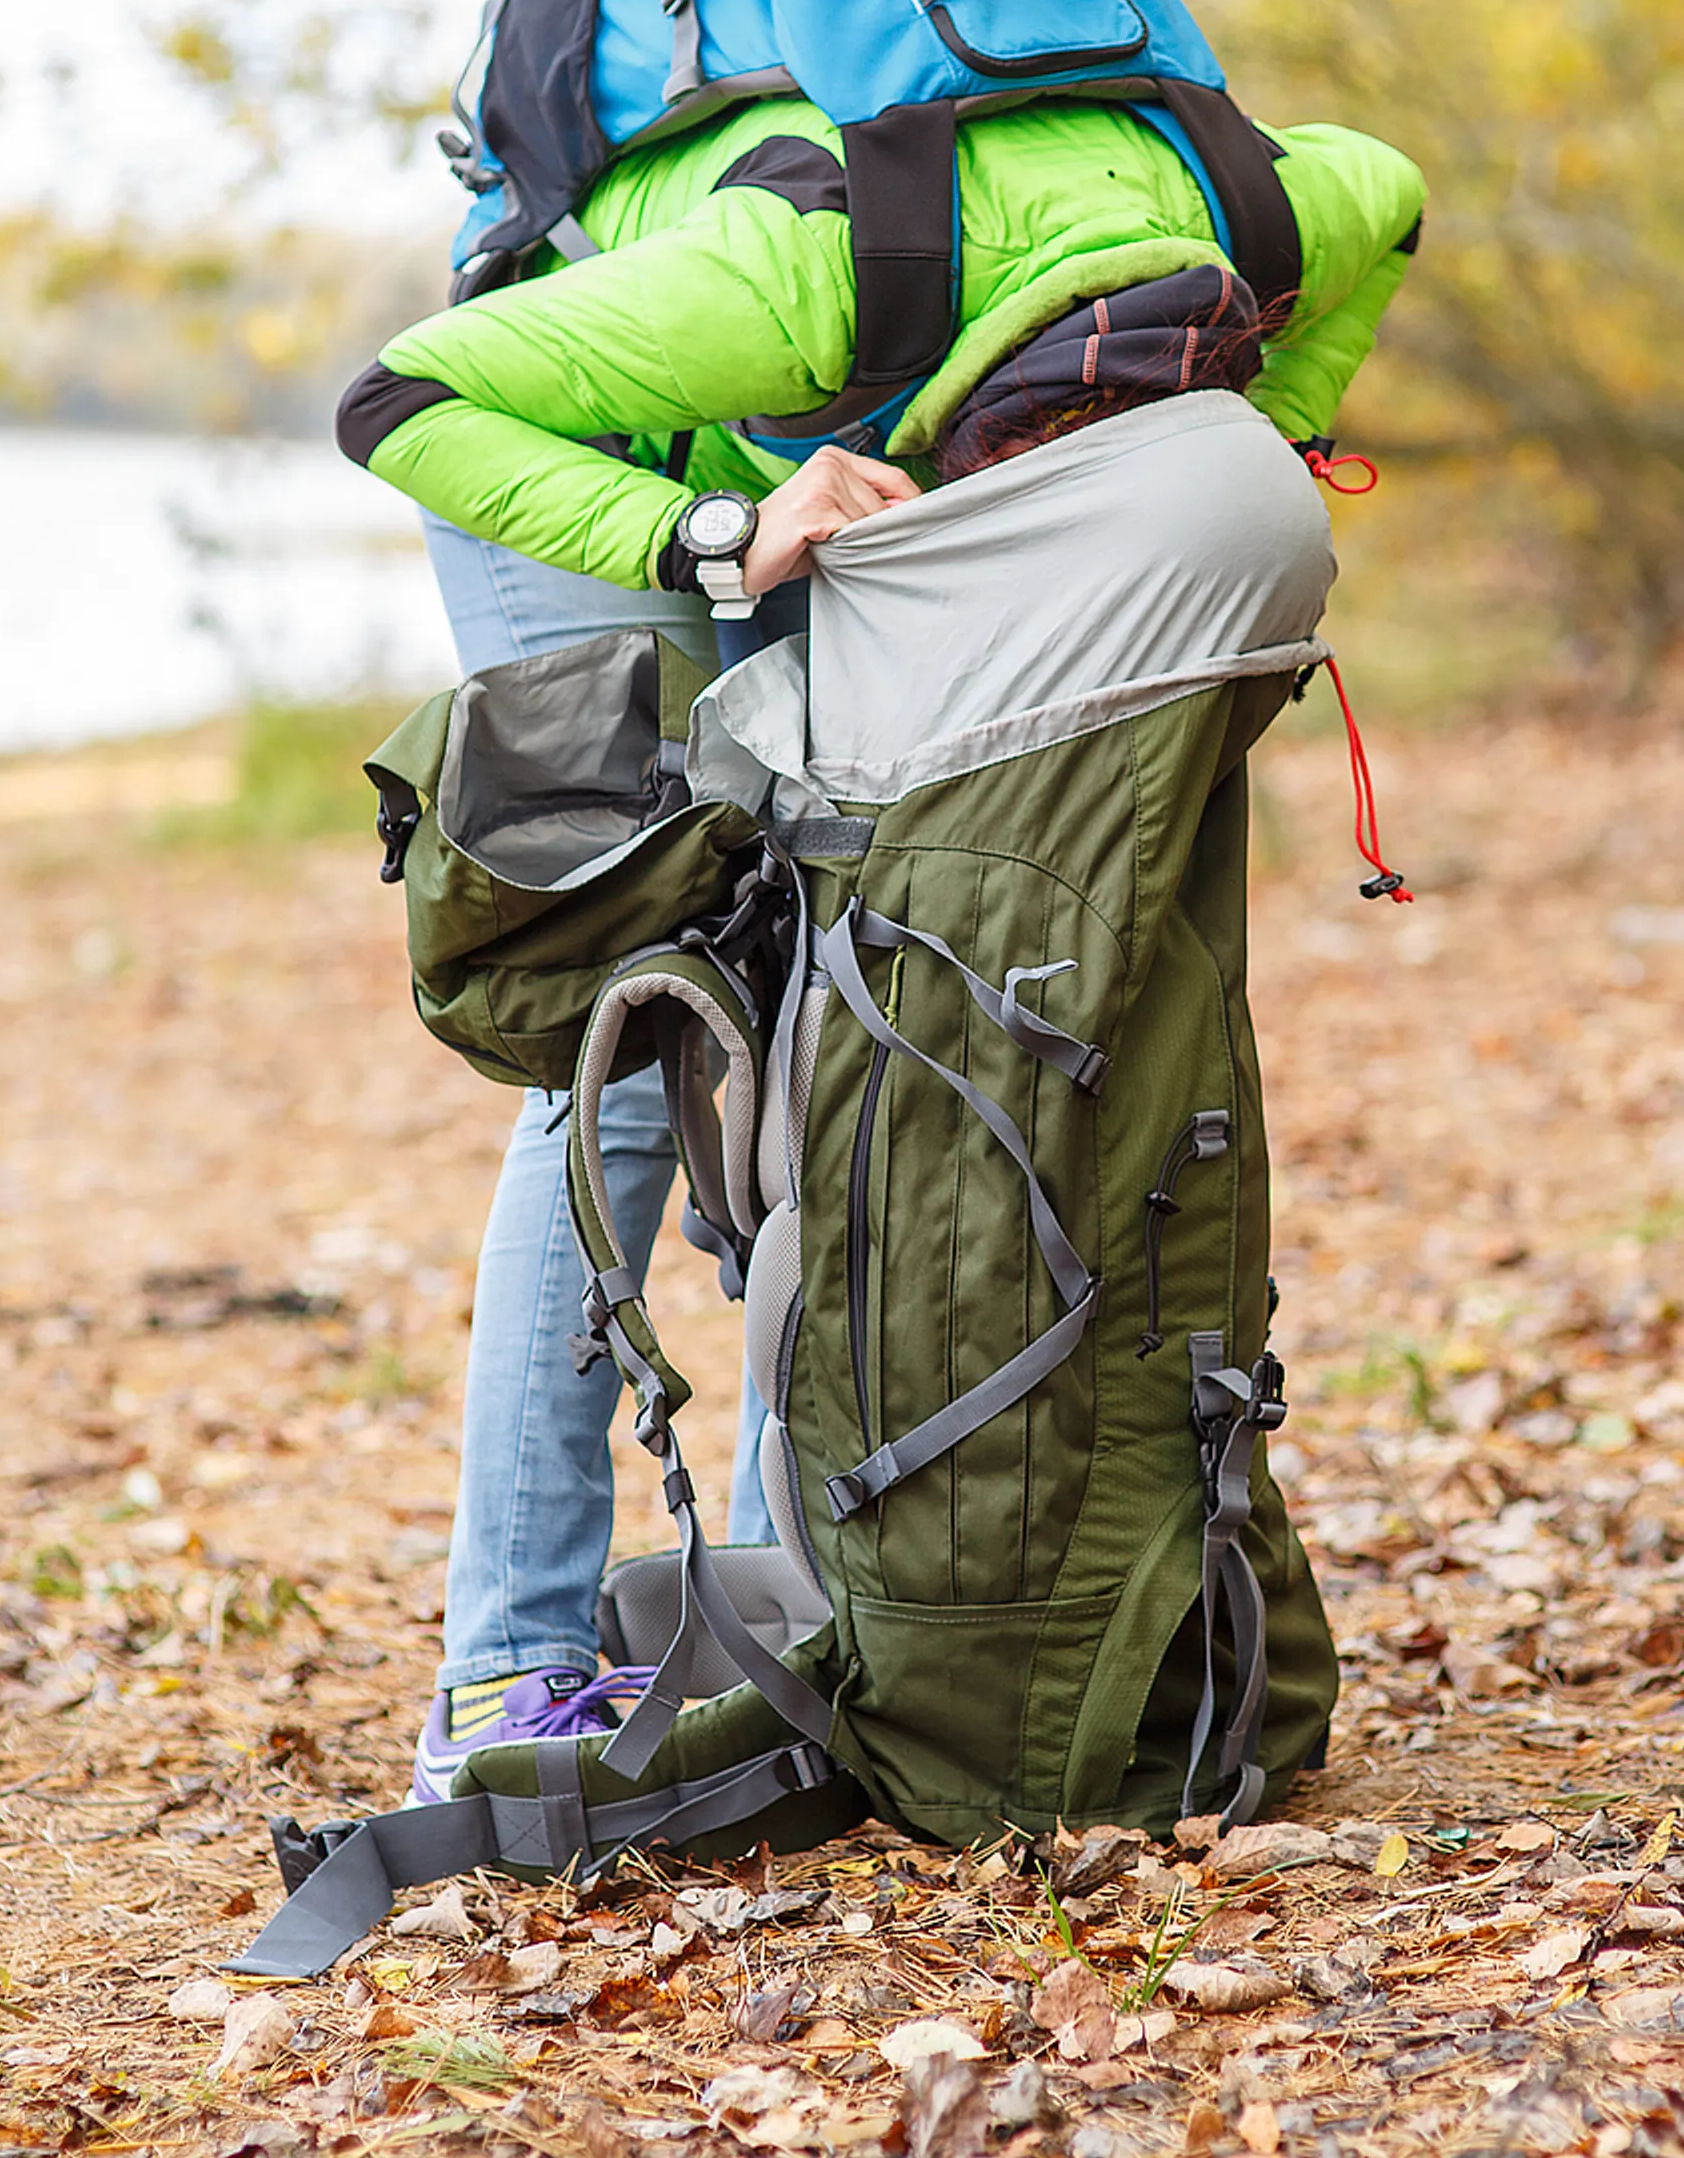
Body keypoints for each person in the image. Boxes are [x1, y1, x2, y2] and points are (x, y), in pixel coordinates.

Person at [337, 88, 1423, 1801]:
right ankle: (511, 1666)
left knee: (839, 1011)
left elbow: (1399, 185)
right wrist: (710, 539)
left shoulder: (1277, 222)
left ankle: (816, 1614)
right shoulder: (797, 284)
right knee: (632, 1048)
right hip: (565, 440)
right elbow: (396, 395)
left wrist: (1272, 430)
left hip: (829, 442)